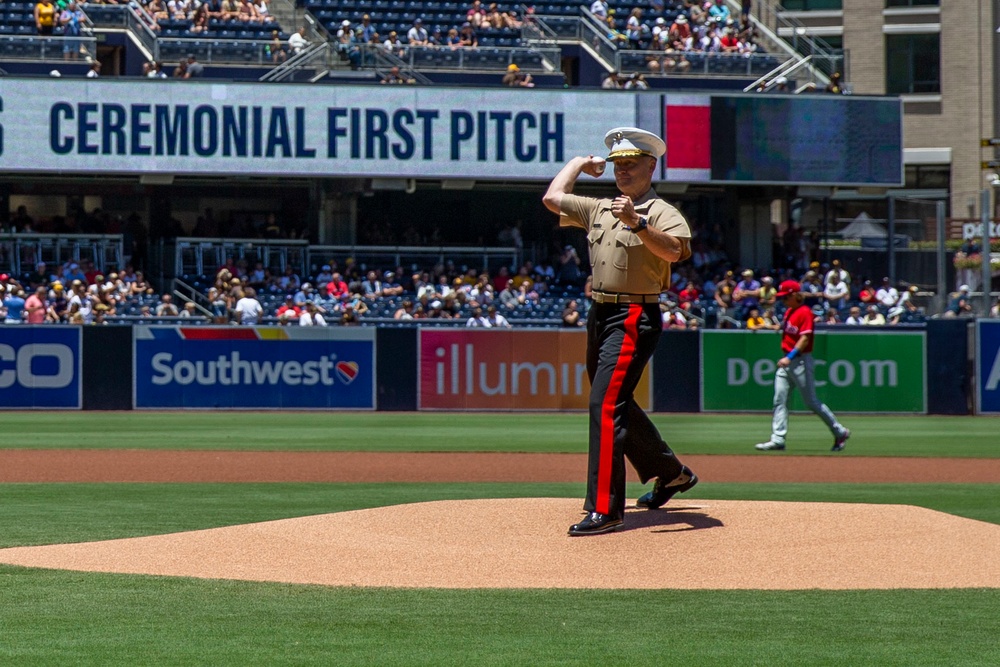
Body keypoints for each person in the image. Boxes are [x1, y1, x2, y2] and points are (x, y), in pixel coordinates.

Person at [542, 126, 699, 536]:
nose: (622, 172)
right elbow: (551, 197)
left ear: (651, 166)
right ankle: (672, 473)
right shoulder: (600, 208)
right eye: (617, 165)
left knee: (605, 404)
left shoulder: (662, 211)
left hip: (634, 314)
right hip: (601, 314)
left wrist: (640, 224)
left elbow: (673, 253)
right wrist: (579, 163)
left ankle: (605, 508)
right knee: (617, 401)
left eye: (630, 164)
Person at [755, 280, 851, 452]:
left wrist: (790, 357)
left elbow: (805, 338)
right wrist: (771, 327)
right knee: (779, 400)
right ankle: (777, 439)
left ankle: (840, 431)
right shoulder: (790, 312)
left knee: (811, 401)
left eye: (786, 297)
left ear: (795, 295)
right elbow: (787, 330)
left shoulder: (804, 312)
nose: (783, 301)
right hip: (786, 362)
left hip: (799, 360)